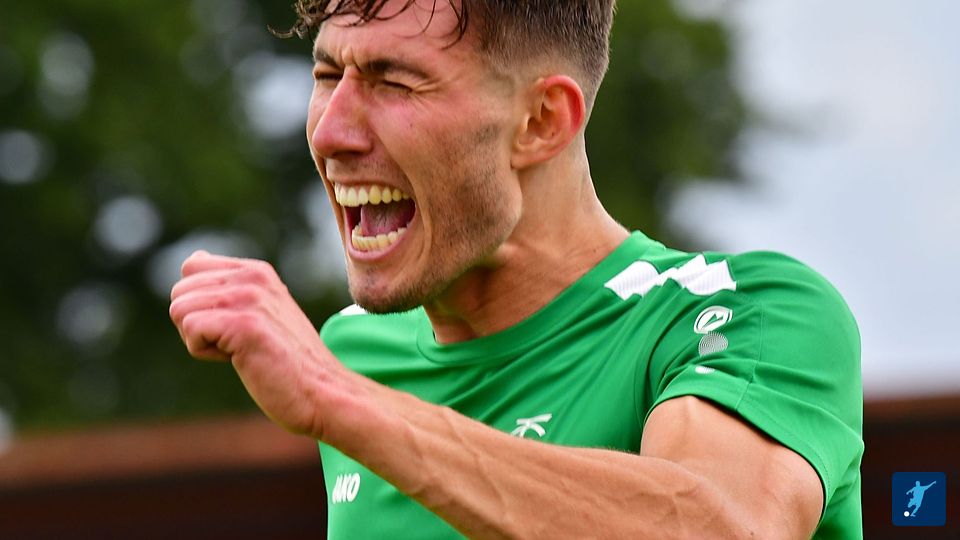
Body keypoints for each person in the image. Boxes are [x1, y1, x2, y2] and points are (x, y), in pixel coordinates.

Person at [169, 1, 863, 538]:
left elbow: (724, 527)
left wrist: (338, 400)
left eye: (394, 81)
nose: (329, 132)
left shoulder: (746, 313)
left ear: (541, 121)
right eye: (327, 76)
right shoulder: (355, 350)